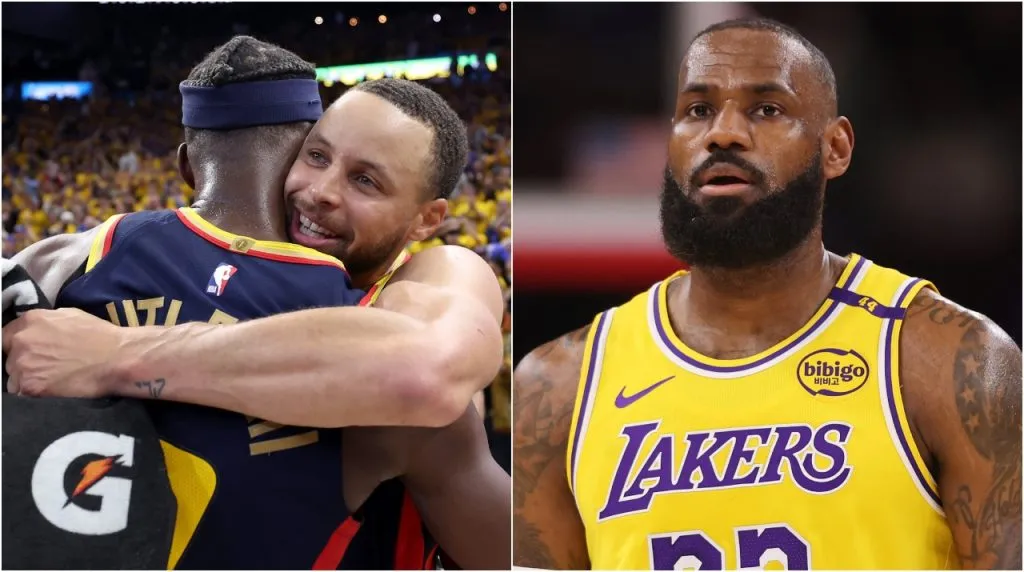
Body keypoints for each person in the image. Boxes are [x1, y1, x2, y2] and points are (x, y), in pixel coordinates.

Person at [512, 18, 1021, 571]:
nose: (723, 133)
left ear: (836, 148)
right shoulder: (558, 389)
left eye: (766, 109)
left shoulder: (952, 362)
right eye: (697, 110)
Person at [5, 37, 509, 569]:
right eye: (316, 157)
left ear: (428, 219)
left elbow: (420, 369)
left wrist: (116, 355)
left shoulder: (435, 279)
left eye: (365, 181)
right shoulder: (85, 259)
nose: (321, 192)